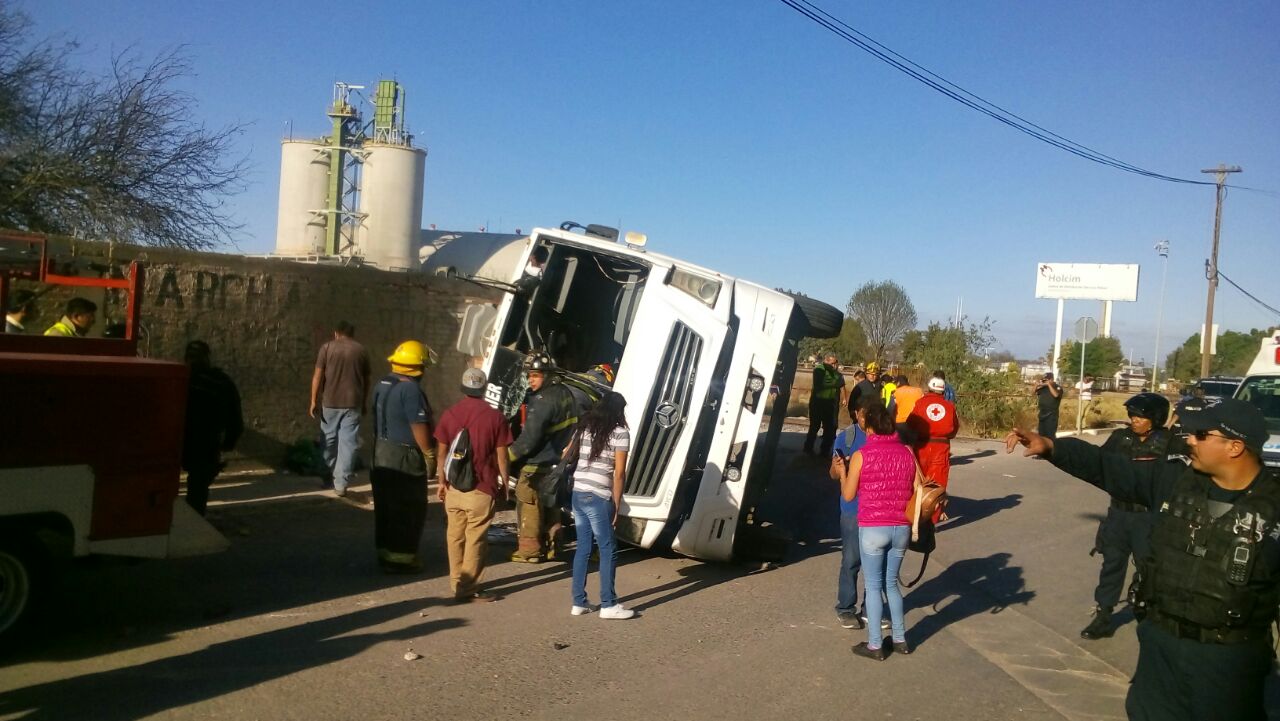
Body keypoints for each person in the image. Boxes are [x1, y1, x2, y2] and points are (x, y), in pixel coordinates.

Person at [1005, 398, 1279, 720]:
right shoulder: (1174, 482)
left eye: (1201, 434)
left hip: (1227, 666)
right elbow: (1109, 467)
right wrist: (1052, 447)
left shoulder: (1272, 512)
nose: (1189, 439)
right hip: (1158, 655)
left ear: (1235, 447)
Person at [1081, 392, 1171, 640]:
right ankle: (1103, 615)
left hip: (1147, 518)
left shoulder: (1168, 443)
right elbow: (1101, 463)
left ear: (1156, 418)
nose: (1134, 420)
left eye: (1140, 416)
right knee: (1111, 564)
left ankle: (1150, 614)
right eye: (1132, 415)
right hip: (1118, 514)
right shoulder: (1120, 438)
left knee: (1148, 568)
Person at [843, 398, 915, 660]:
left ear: (870, 427)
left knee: (873, 586)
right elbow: (917, 488)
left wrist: (843, 472)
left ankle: (875, 644)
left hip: (874, 526)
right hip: (901, 528)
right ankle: (900, 639)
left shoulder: (862, 455)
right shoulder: (907, 451)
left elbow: (849, 495)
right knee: (892, 584)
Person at [434, 368, 513, 603]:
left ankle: (456, 582)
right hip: (482, 487)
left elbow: (441, 454)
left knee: (455, 535)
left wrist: (441, 482)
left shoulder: (450, 414)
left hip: (453, 488)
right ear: (483, 388)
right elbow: (502, 456)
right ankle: (467, 588)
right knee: (475, 537)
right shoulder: (495, 417)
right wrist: (505, 483)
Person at [369, 340, 437, 573]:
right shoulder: (411, 390)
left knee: (386, 506)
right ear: (418, 368)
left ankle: (386, 553)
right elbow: (418, 424)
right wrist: (429, 453)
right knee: (408, 507)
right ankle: (402, 559)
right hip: (404, 456)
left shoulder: (383, 384)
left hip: (380, 453)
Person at [568, 391, 636, 620]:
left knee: (583, 549)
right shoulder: (620, 434)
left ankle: (579, 602)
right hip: (598, 496)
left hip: (578, 493)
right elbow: (619, 473)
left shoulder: (585, 429)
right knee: (608, 549)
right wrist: (616, 504)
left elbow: (566, 453)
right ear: (618, 410)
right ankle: (608, 604)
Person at [508, 352, 578, 563]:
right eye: (529, 375)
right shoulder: (565, 393)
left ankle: (529, 551)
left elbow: (528, 440)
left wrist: (506, 458)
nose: (530, 380)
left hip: (536, 463)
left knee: (528, 502)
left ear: (547, 375)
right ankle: (553, 546)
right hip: (556, 461)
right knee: (550, 504)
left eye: (536, 375)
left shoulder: (542, 401)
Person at [180, 341, 244, 515]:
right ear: (207, 357)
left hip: (176, 441)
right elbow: (236, 419)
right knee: (197, 492)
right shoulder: (221, 382)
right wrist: (228, 443)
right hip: (205, 444)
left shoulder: (178, 378)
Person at [309, 321, 371, 496]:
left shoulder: (327, 348)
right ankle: (341, 484)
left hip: (330, 403)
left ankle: (328, 475)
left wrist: (313, 400)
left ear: (336, 333)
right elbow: (366, 380)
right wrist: (364, 402)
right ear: (352, 334)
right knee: (348, 443)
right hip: (354, 403)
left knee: (328, 440)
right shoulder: (361, 350)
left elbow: (317, 376)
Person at [829, 408, 869, 629]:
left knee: (876, 565)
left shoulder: (886, 437)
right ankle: (845, 608)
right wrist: (838, 469)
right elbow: (832, 474)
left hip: (878, 511)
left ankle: (871, 609)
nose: (865, 421)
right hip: (852, 509)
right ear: (856, 414)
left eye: (870, 416)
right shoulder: (847, 437)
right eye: (862, 416)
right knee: (852, 560)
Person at [907, 377, 960, 522]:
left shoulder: (920, 403)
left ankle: (914, 516)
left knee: (917, 481)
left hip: (921, 446)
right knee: (937, 485)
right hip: (941, 448)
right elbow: (954, 430)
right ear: (943, 391)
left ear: (929, 389)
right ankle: (932, 520)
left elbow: (910, 424)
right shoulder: (949, 407)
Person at [804, 353, 846, 456]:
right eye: (832, 363)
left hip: (831, 404)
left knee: (831, 428)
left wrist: (845, 397)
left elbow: (841, 384)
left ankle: (824, 451)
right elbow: (820, 384)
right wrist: (834, 383)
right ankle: (808, 448)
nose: (834, 365)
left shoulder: (837, 373)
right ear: (826, 361)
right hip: (818, 402)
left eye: (835, 363)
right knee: (815, 426)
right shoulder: (819, 370)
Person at [1034, 372, 1062, 438]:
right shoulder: (1043, 388)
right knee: (1041, 434)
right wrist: (1036, 385)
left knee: (1050, 435)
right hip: (1042, 413)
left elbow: (1056, 395)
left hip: (1051, 414)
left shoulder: (1057, 387)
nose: (1045, 382)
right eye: (1044, 380)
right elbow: (1032, 393)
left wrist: (1049, 385)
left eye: (1047, 380)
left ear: (1051, 379)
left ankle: (1053, 447)